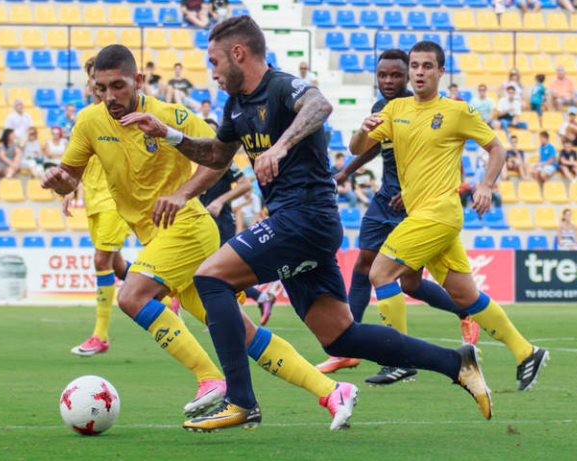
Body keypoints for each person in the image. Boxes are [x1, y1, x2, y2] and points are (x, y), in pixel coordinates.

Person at [128, 18, 494, 431]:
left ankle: (239, 400)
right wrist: (171, 136)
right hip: (301, 226)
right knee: (339, 336)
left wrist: (281, 147)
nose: (211, 72)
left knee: (210, 278)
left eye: (214, 61)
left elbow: (321, 106)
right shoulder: (236, 106)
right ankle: (456, 361)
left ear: (238, 54)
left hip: (306, 217)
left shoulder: (282, 87)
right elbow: (217, 155)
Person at [48, 45, 356, 430]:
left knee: (132, 295)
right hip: (157, 240)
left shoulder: (170, 116)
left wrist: (183, 193)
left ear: (138, 82)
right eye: (101, 88)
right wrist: (60, 183)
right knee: (241, 333)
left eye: (118, 86)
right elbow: (69, 176)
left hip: (188, 229)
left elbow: (221, 156)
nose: (110, 96)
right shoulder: (90, 122)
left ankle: (210, 377)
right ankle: (331, 390)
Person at [350, 40, 547, 396]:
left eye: (428, 66)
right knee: (463, 293)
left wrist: (486, 185)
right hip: (423, 215)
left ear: (441, 72)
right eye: (415, 66)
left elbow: (496, 148)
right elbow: (357, 148)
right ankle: (527, 352)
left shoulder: (456, 111)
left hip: (439, 214)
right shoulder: (395, 109)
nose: (420, 72)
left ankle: (399, 358)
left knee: (379, 272)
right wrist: (363, 129)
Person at [318, 49, 479, 381]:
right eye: (382, 75)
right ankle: (348, 347)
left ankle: (464, 309)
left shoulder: (424, 108)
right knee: (363, 265)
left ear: (409, 76)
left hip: (412, 204)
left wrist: (416, 193)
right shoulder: (383, 109)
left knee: (410, 283)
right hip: (383, 199)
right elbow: (375, 145)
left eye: (395, 75)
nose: (388, 81)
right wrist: (346, 172)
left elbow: (450, 159)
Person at [62, 55, 134, 358]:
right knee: (116, 265)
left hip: (114, 199)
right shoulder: (87, 117)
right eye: (93, 77)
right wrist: (69, 188)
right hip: (93, 197)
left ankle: (100, 336)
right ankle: (164, 290)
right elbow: (81, 158)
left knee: (101, 260)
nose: (97, 83)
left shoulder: (121, 114)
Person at [202, 118, 277, 326]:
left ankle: (232, 315)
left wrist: (219, 201)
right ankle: (256, 299)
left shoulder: (224, 161)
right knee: (207, 272)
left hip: (221, 222)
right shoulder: (194, 161)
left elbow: (244, 184)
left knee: (219, 272)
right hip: (199, 224)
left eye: (212, 132)